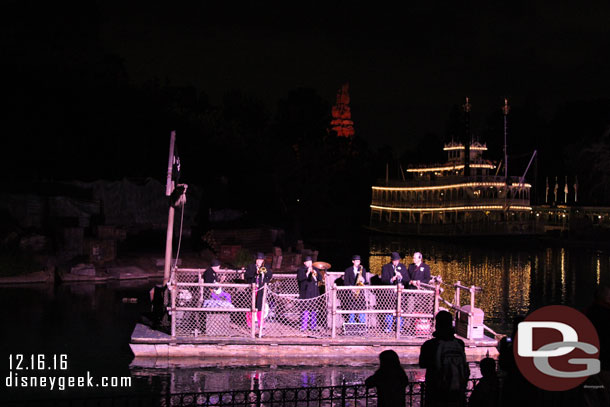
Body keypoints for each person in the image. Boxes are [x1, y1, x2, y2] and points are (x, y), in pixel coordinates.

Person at [419, 310, 470, 407]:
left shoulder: (429, 345)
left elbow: (422, 364)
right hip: (457, 392)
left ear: (437, 325)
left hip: (436, 392)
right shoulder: (459, 344)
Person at [380, 252, 408, 332]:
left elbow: (407, 280)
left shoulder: (402, 267)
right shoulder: (385, 267)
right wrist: (392, 279)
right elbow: (383, 280)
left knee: (399, 309)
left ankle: (399, 327)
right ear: (391, 260)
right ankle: (388, 327)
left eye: (397, 260)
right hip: (389, 293)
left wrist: (401, 277)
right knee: (389, 309)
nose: (396, 262)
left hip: (400, 293)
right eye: (394, 261)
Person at [244, 252, 273, 329]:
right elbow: (246, 276)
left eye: (260, 260)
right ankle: (250, 323)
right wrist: (255, 273)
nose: (259, 261)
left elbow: (270, 276)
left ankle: (261, 324)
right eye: (258, 260)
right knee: (251, 305)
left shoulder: (266, 266)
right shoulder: (251, 267)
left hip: (261, 289)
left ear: (263, 260)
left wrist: (265, 273)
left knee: (260, 306)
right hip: (252, 289)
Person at [343, 254, 368, 325]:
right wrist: (352, 288)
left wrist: (362, 279)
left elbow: (365, 281)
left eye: (359, 261)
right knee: (351, 309)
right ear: (353, 261)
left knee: (361, 308)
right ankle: (351, 324)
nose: (358, 262)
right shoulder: (348, 270)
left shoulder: (362, 269)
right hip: (351, 293)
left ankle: (362, 324)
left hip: (360, 292)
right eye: (356, 261)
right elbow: (345, 282)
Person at [297, 256, 320, 331]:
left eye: (310, 262)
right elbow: (300, 279)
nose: (309, 263)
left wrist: (316, 273)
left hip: (314, 292)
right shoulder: (301, 270)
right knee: (305, 309)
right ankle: (304, 327)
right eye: (308, 262)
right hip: (305, 292)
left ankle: (313, 326)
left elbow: (320, 278)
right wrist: (307, 273)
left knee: (313, 310)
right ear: (304, 263)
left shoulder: (315, 269)